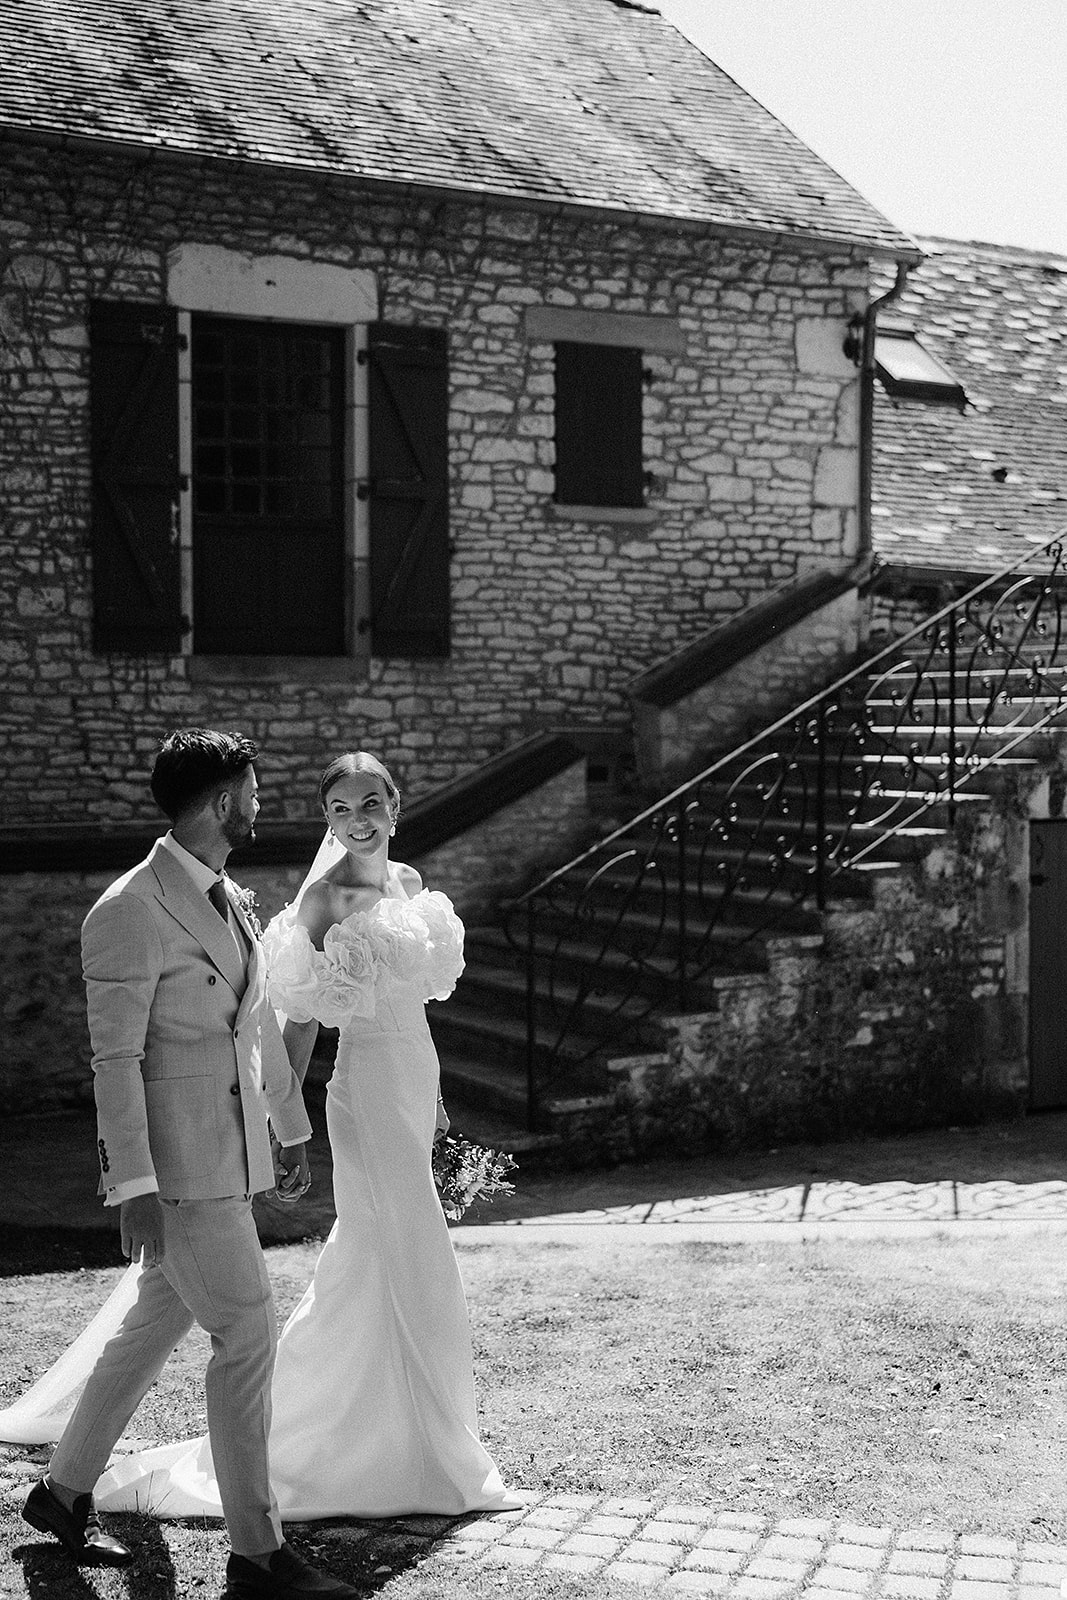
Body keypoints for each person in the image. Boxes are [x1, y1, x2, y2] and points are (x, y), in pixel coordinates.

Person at [60, 751, 515, 1520]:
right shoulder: (323, 898)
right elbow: (293, 1019)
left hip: (413, 1081)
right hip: (365, 1092)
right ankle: (367, 1452)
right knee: (389, 1247)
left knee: (404, 1252)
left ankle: (411, 1433)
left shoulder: (408, 883)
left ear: (396, 806)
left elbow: (413, 1008)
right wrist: (287, 1124)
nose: (357, 821)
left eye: (370, 803)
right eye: (340, 808)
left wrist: (436, 1104)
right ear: (326, 819)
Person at [19, 729, 359, 1600]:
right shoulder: (128, 909)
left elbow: (255, 1020)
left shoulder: (222, 893)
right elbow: (115, 1062)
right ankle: (258, 1555)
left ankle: (63, 1492)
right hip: (180, 1175)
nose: (259, 803)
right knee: (245, 1336)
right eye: (252, 791)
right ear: (220, 802)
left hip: (228, 1156)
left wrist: (289, 1127)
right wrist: (132, 1186)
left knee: (151, 1326)